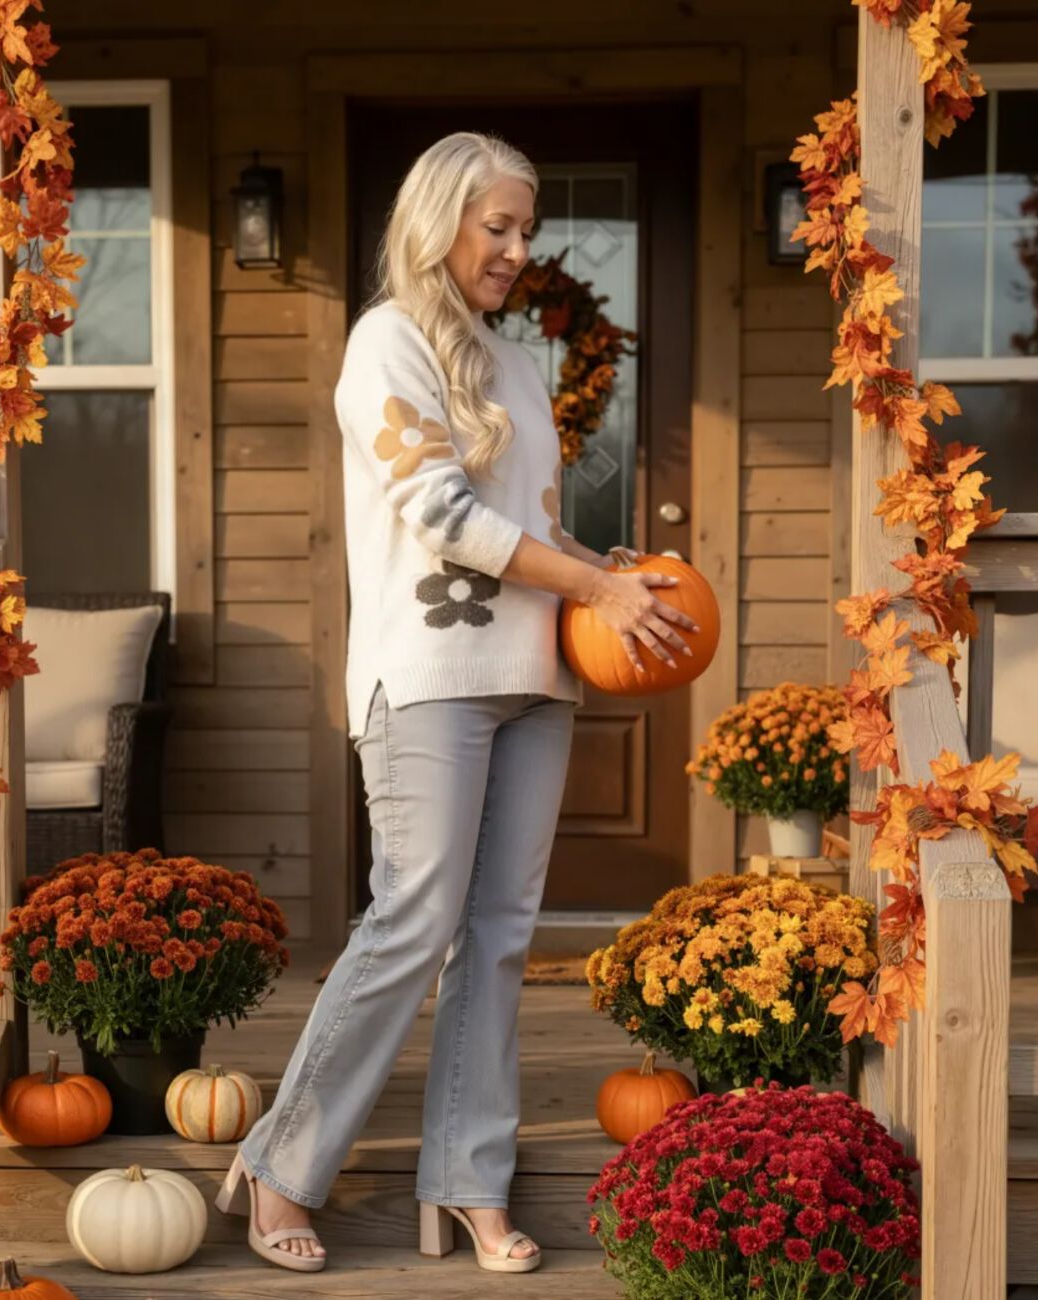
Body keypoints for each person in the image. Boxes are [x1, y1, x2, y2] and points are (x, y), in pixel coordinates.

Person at [215, 130, 697, 1275]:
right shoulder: (386, 343)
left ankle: (472, 1181)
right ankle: (282, 1162)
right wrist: (589, 582)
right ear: (441, 223)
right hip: (428, 682)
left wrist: (600, 564)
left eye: (525, 230)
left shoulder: (516, 361)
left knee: (497, 939)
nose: (518, 250)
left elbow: (519, 517)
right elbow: (439, 513)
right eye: (500, 227)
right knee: (414, 919)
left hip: (539, 679)